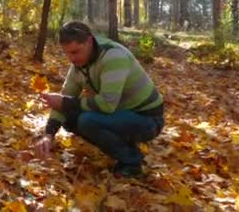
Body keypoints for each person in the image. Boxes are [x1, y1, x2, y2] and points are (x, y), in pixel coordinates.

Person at [35, 21, 164, 178]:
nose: (71, 59)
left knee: (87, 121)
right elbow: (66, 97)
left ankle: (132, 162)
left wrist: (65, 102)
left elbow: (107, 105)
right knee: (69, 117)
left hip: (148, 119)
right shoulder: (80, 62)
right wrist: (48, 135)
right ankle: (123, 146)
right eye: (67, 53)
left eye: (75, 52)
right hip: (121, 113)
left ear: (89, 41)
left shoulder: (113, 56)